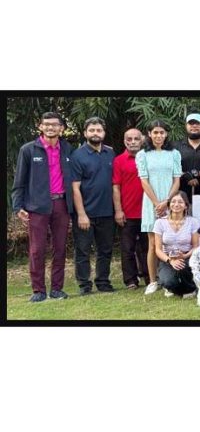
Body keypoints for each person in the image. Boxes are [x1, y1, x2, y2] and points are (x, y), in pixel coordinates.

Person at [12, 112, 74, 302]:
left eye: (55, 125)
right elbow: (19, 180)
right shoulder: (28, 149)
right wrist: (18, 206)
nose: (50, 128)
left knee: (60, 248)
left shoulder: (67, 149)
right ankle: (38, 290)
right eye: (46, 124)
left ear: (61, 128)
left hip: (61, 204)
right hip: (37, 206)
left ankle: (57, 289)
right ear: (40, 127)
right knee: (37, 249)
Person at [71, 117, 116, 295]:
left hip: (106, 212)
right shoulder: (77, 156)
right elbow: (75, 188)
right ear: (85, 133)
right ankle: (84, 285)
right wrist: (81, 214)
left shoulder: (110, 153)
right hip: (85, 213)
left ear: (103, 133)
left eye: (98, 130)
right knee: (82, 251)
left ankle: (103, 282)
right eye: (92, 130)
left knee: (105, 250)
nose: (95, 133)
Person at [136, 120, 182, 295]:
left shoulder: (174, 153)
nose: (158, 136)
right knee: (153, 243)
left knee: (173, 240)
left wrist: (167, 201)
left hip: (171, 201)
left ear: (166, 134)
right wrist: (157, 203)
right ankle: (153, 281)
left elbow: (176, 179)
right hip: (151, 202)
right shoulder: (143, 155)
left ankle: (170, 280)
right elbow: (143, 180)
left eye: (162, 132)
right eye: (155, 132)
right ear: (149, 134)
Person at [112, 128, 149, 290]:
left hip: (147, 211)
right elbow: (116, 187)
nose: (132, 141)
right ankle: (131, 280)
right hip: (127, 212)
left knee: (148, 248)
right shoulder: (119, 160)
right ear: (124, 141)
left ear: (142, 140)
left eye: (136, 139)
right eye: (129, 139)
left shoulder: (149, 157)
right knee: (128, 249)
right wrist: (118, 210)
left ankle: (150, 277)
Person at [153, 191, 200, 298]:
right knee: (169, 282)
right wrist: (170, 261)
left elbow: (196, 246)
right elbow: (158, 250)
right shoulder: (160, 222)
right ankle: (171, 287)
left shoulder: (193, 222)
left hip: (187, 256)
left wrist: (185, 256)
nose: (176, 204)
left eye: (180, 202)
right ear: (169, 205)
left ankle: (190, 289)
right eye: (173, 202)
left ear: (186, 206)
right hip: (167, 258)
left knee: (183, 269)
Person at [175, 112, 200, 201]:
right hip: (180, 198)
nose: (194, 126)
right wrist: (185, 175)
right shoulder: (176, 147)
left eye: (198, 123)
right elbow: (169, 168)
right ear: (186, 126)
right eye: (191, 123)